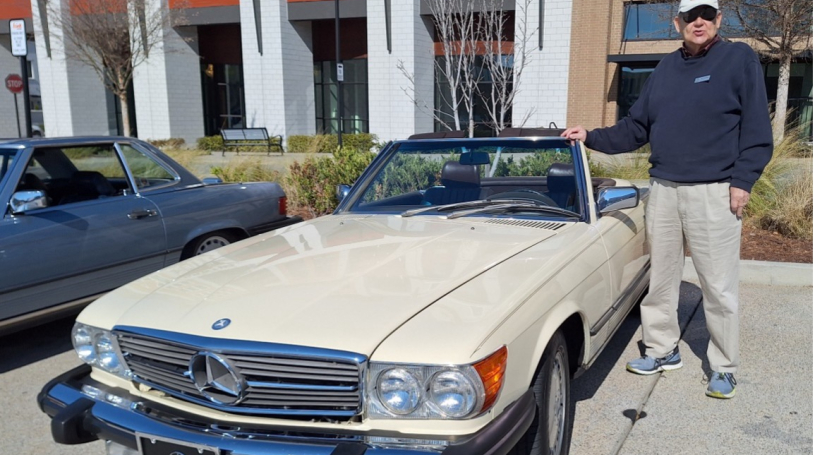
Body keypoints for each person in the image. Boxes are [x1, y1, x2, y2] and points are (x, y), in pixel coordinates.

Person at [561, 0, 773, 399]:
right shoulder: (665, 69)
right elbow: (636, 127)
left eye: (707, 15)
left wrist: (742, 181)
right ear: (678, 22)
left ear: (718, 21)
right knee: (660, 278)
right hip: (664, 190)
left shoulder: (738, 59)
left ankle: (724, 366)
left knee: (718, 285)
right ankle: (661, 349)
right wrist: (590, 136)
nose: (699, 22)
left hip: (715, 191)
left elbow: (757, 128)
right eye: (691, 16)